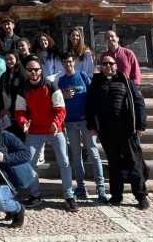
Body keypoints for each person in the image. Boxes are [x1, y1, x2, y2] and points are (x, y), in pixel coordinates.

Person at [86, 54, 149, 209]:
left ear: (116, 65)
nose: (108, 66)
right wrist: (91, 125)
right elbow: (90, 105)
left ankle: (141, 196)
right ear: (101, 66)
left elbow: (139, 102)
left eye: (111, 63)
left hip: (125, 130)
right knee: (113, 164)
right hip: (106, 131)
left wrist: (141, 125)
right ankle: (116, 196)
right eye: (105, 64)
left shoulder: (126, 81)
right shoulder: (96, 83)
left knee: (133, 162)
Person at [15, 58, 78, 211]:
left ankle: (69, 195)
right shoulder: (23, 89)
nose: (33, 73)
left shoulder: (51, 86)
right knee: (29, 164)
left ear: (41, 70)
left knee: (64, 162)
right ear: (26, 72)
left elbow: (60, 109)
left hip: (54, 130)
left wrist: (56, 122)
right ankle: (36, 196)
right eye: (30, 70)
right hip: (35, 131)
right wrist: (24, 123)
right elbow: (19, 112)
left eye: (36, 69)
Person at [59, 55, 106, 202]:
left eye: (70, 61)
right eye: (65, 62)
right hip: (70, 122)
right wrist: (63, 95)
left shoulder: (83, 76)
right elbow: (57, 100)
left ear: (74, 63)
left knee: (93, 152)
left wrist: (94, 119)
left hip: (86, 121)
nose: (68, 64)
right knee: (76, 154)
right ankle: (80, 186)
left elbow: (92, 96)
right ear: (62, 64)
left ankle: (100, 187)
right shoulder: (61, 81)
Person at [0, 51, 28, 141]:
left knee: (20, 140)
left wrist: (10, 110)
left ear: (16, 59)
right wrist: (1, 109)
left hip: (18, 113)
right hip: (5, 116)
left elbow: (21, 96)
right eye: (6, 59)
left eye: (11, 59)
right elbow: (0, 94)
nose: (8, 61)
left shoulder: (23, 75)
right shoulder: (4, 76)